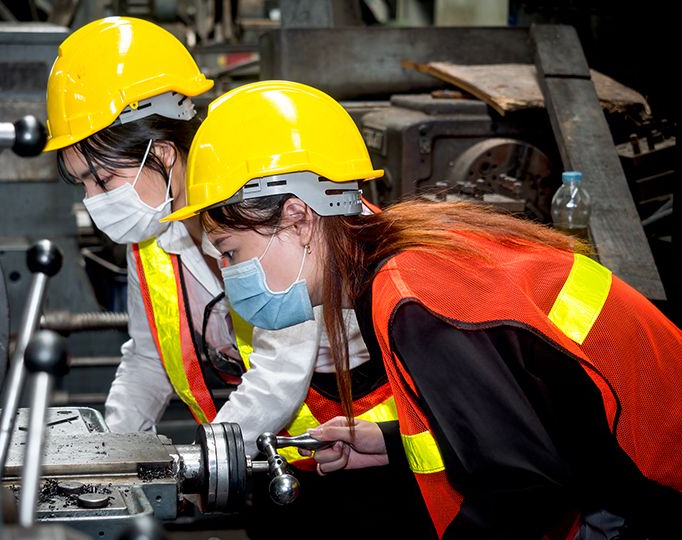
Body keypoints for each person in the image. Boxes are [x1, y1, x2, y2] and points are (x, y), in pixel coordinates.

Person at [163, 79, 682, 539]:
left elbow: (523, 487)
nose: (232, 277)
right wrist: (387, 442)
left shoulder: (412, 296)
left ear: (297, 217)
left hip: (653, 490)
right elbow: (518, 419)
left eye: (231, 252)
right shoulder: (402, 261)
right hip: (620, 472)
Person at [44, 16, 416, 502]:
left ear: (161, 154)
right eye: (85, 185)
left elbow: (279, 373)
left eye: (103, 180)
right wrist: (110, 459)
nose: (94, 200)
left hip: (366, 449)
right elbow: (149, 360)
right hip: (273, 451)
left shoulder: (257, 208)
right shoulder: (151, 231)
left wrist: (205, 464)